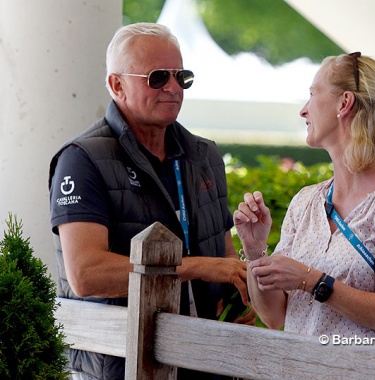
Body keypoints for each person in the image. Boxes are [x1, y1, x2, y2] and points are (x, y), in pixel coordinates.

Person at [49, 22, 253, 379]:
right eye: (158, 77)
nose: (174, 88)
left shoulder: (205, 154)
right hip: (122, 363)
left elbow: (222, 252)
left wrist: (232, 292)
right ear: (117, 85)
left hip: (206, 361)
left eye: (182, 76)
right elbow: (85, 274)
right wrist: (195, 267)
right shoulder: (81, 158)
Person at [234, 52, 375, 350]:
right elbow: (274, 315)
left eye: (312, 94)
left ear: (344, 104)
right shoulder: (306, 201)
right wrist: (255, 251)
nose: (303, 111)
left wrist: (311, 281)